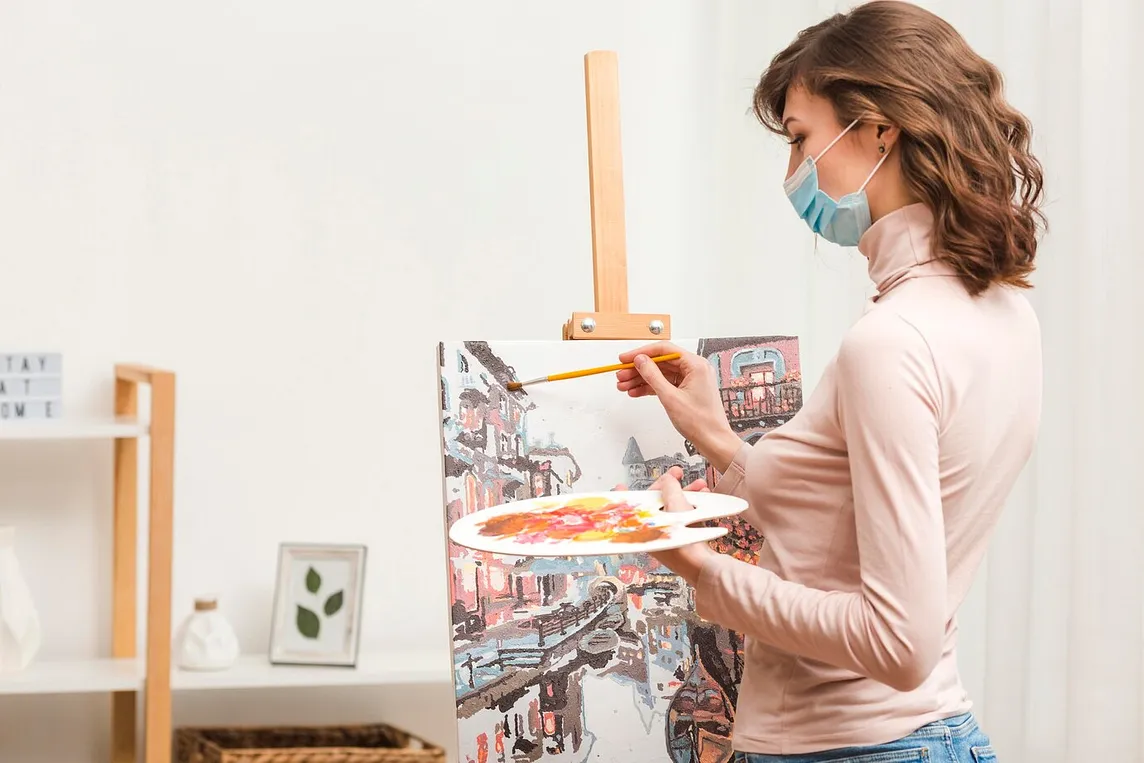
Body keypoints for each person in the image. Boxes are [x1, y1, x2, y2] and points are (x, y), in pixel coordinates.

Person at [615, 2, 1044, 761]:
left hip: (854, 746)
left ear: (880, 128)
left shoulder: (892, 341)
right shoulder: (1003, 311)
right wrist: (715, 435)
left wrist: (698, 565)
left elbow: (898, 640)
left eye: (801, 140)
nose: (794, 175)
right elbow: (848, 519)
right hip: (922, 736)